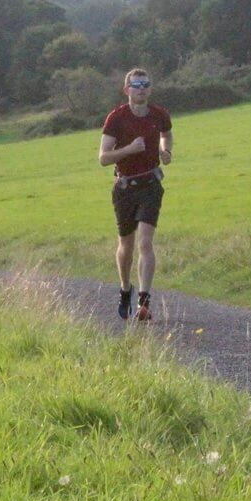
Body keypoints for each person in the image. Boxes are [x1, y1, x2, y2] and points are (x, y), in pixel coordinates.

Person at [98, 68, 173, 322]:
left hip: (150, 185)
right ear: (127, 90)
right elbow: (103, 158)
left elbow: (166, 135)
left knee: (145, 243)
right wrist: (129, 149)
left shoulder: (159, 115)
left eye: (145, 84)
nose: (141, 89)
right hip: (124, 188)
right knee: (126, 246)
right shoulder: (116, 118)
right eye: (136, 85)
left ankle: (144, 300)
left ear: (150, 89)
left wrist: (166, 151)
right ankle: (125, 288)